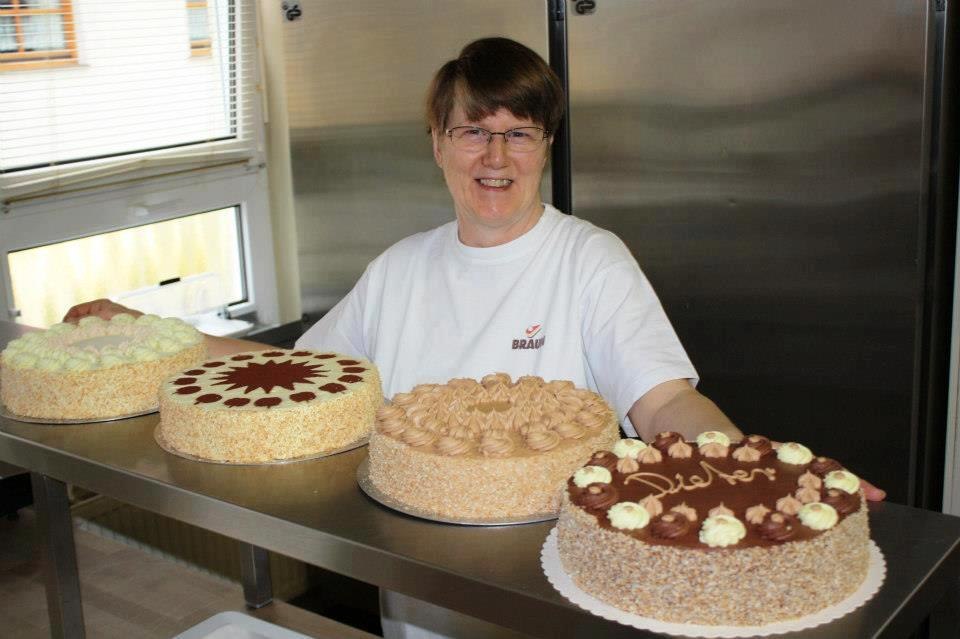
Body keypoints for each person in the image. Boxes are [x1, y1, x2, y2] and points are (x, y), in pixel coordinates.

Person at [64, 36, 883, 638]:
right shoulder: (399, 268)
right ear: (437, 142)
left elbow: (665, 402)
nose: (496, 154)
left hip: (557, 593)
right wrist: (151, 331)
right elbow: (291, 377)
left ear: (545, 147)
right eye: (472, 130)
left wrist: (769, 478)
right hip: (417, 594)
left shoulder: (589, 258)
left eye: (519, 132)